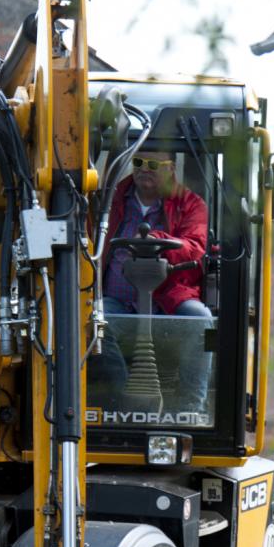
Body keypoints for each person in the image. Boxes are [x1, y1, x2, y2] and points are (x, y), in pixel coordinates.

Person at [91, 151, 212, 412]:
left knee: (201, 321)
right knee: (95, 322)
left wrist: (157, 239)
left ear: (171, 169)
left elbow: (195, 246)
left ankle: (191, 409)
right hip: (117, 302)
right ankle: (121, 406)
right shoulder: (108, 200)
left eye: (154, 164)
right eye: (138, 163)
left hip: (169, 300)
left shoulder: (191, 204)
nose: (144, 169)